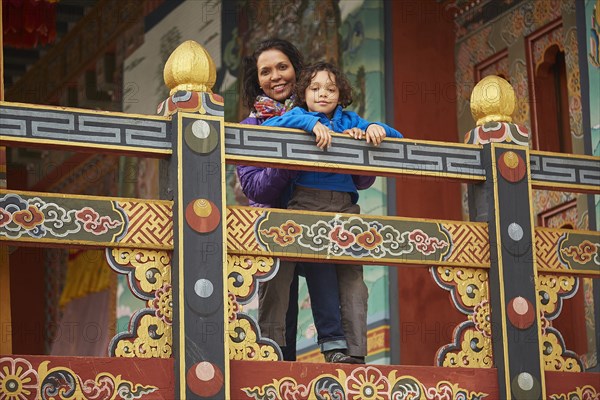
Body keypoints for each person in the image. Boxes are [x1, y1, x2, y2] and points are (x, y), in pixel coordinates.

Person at [261, 61, 403, 363]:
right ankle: (269, 347)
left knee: (353, 280)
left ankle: (354, 352)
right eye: (314, 88)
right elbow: (268, 129)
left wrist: (378, 129)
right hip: (305, 204)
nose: (322, 94)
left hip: (345, 207)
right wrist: (309, 125)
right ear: (303, 93)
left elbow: (397, 138)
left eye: (330, 89)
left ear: (341, 93)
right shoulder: (298, 115)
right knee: (282, 276)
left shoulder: (350, 121)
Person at [236, 39, 359, 363]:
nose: (275, 76)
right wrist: (293, 160)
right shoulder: (252, 127)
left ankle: (346, 358)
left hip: (324, 218)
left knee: (342, 286)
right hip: (275, 224)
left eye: (282, 67)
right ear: (257, 79)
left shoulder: (329, 115)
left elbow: (362, 179)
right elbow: (256, 191)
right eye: (265, 71)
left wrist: (359, 141)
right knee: (280, 299)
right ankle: (275, 365)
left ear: (296, 70)